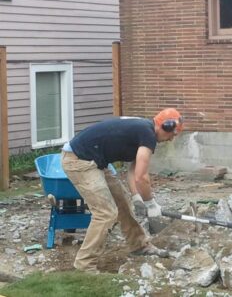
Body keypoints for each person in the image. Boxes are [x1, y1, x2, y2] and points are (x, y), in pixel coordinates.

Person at [61, 108, 184, 272]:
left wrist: (136, 197)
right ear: (166, 126)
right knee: (106, 213)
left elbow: (133, 172)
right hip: (79, 161)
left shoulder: (143, 131)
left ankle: (139, 246)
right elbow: (142, 177)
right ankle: (84, 265)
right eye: (172, 135)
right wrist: (151, 203)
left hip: (95, 161)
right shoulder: (147, 134)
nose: (170, 140)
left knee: (123, 203)